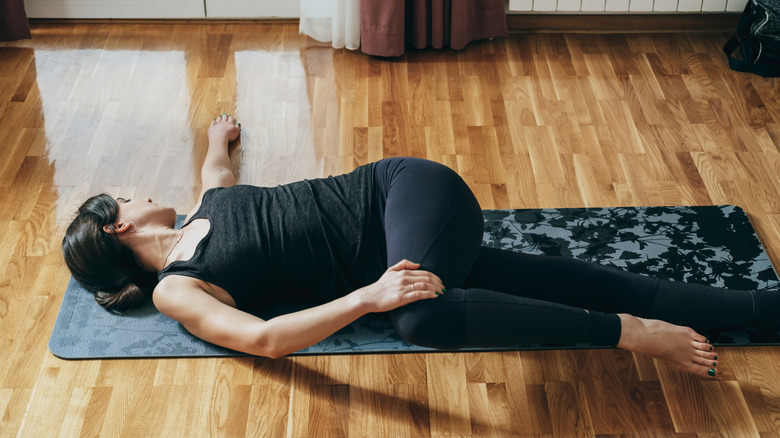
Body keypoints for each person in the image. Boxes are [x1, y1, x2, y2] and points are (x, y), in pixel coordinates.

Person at [62, 114, 778, 378]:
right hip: (400, 259)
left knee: (422, 321)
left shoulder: (203, 207)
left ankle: (632, 335)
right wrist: (364, 296)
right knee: (548, 283)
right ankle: (757, 307)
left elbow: (217, 175)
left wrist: (219, 139)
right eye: (122, 198)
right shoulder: (175, 288)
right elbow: (268, 339)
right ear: (120, 228)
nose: (134, 191)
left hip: (405, 193)